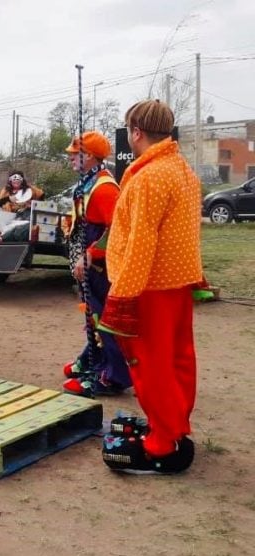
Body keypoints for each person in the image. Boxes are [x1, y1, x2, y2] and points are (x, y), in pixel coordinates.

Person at [100, 99, 203, 475]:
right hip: (176, 284)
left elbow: (141, 241)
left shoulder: (148, 176)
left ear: (136, 132)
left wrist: (121, 296)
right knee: (178, 359)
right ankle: (176, 425)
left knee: (150, 365)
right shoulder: (182, 170)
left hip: (148, 288)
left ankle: (162, 443)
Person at [60, 131, 131, 398]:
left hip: (101, 266)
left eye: (73, 155)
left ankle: (113, 376)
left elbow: (117, 229)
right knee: (93, 316)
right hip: (89, 262)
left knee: (103, 318)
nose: (70, 159)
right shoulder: (89, 183)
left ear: (89, 156)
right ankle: (93, 360)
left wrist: (90, 254)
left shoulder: (104, 188)